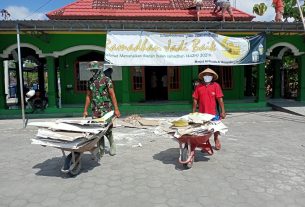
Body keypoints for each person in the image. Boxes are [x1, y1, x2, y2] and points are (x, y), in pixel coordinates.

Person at [83, 61, 120, 157]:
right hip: (95, 109)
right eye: (92, 70)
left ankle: (112, 144)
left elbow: (112, 94)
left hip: (106, 109)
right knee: (97, 130)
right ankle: (101, 148)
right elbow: (88, 96)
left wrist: (116, 109)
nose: (93, 71)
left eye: (94, 70)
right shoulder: (90, 81)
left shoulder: (107, 80)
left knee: (107, 128)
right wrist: (85, 110)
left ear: (99, 70)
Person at [192, 68, 226, 151]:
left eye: (209, 75)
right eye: (206, 75)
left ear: (212, 76)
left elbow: (220, 99)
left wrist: (223, 111)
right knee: (204, 128)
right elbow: (195, 99)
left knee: (215, 127)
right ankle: (206, 142)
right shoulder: (199, 86)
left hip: (213, 111)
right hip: (202, 112)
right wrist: (193, 111)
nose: (207, 76)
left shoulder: (216, 86)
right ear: (203, 76)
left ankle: (216, 139)